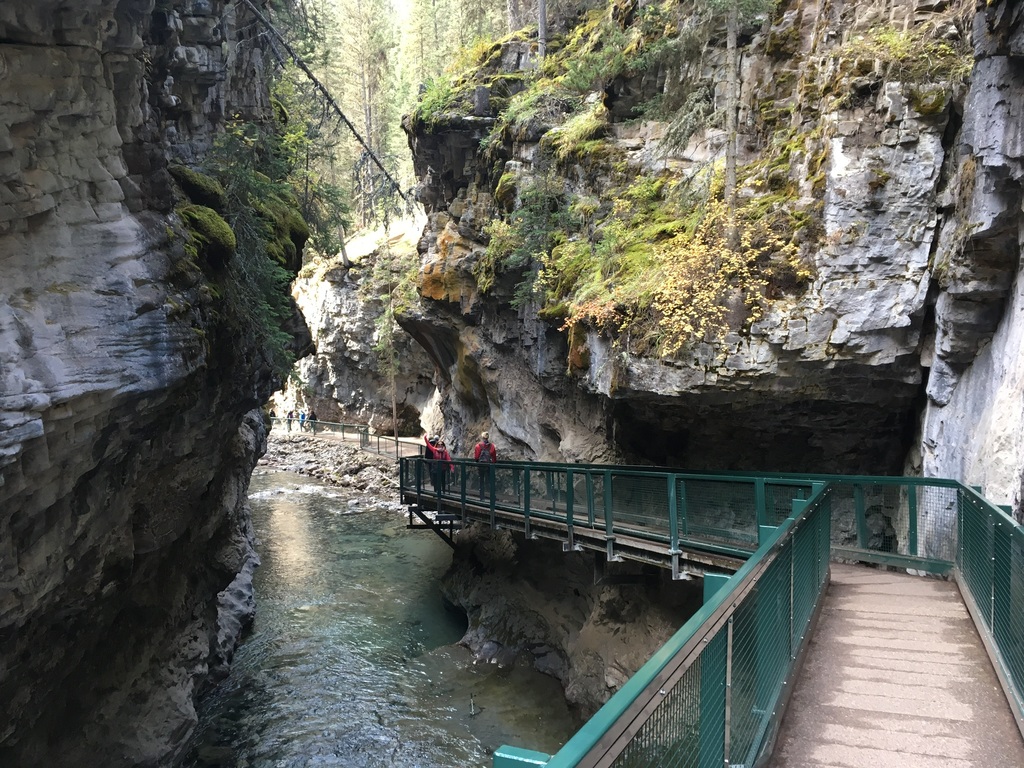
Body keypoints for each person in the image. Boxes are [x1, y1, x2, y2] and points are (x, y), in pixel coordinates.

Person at [473, 431, 497, 500]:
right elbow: (494, 458)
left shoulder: (478, 446)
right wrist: (493, 463)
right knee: (490, 480)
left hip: (481, 465)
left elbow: (476, 457)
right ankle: (492, 496)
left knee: (481, 480)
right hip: (489, 465)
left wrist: (477, 461)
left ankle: (482, 496)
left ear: (482, 437)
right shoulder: (491, 446)